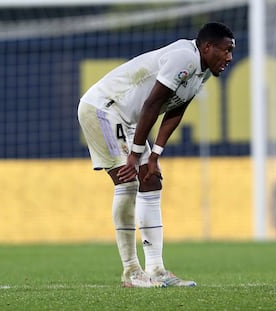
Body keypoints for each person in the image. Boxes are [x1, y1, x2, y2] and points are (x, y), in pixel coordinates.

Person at [78, 22, 235, 288]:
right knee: (128, 182)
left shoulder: (203, 71)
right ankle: (131, 271)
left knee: (150, 180)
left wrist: (155, 156)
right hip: (103, 108)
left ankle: (156, 269)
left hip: (128, 120)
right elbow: (152, 103)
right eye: (226, 50)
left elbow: (176, 109)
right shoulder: (184, 57)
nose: (230, 57)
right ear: (207, 47)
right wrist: (136, 155)